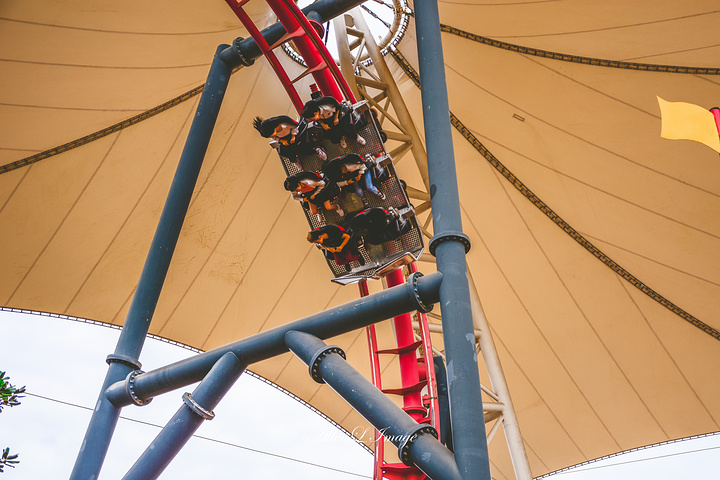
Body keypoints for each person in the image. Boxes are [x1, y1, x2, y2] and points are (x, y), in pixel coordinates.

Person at [252, 115, 326, 164]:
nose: (273, 135)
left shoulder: (285, 121)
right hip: (284, 139)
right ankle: (294, 160)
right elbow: (275, 138)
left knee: (302, 149)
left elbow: (296, 126)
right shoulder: (272, 134)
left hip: (296, 134)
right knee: (283, 152)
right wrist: (281, 141)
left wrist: (293, 136)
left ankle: (316, 150)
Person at [301, 96, 366, 148]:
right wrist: (323, 124)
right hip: (327, 118)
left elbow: (339, 107)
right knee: (329, 135)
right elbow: (317, 119)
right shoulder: (316, 114)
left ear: (315, 113)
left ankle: (356, 136)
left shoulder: (327, 108)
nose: (312, 121)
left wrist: (336, 118)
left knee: (347, 130)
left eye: (312, 119)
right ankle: (340, 138)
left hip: (339, 114)